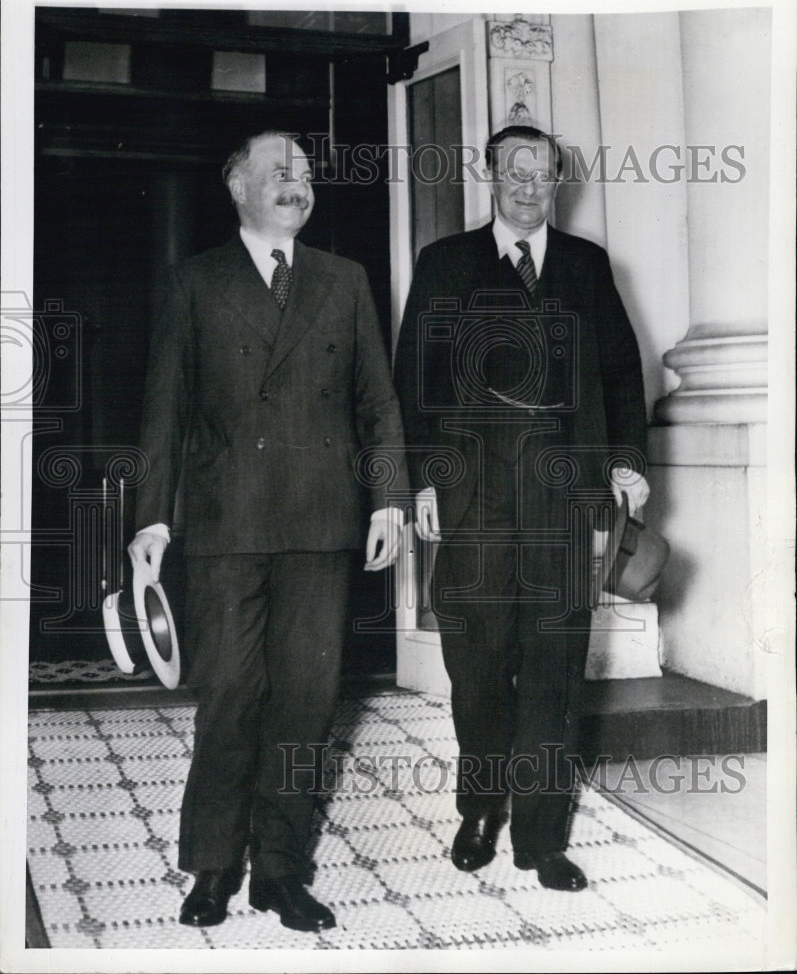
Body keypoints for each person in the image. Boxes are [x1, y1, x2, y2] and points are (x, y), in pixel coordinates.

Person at [129, 130, 408, 931]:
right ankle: (213, 865)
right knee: (229, 696)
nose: (298, 186)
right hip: (226, 523)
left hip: (323, 522)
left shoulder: (344, 280)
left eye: (307, 175)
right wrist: (152, 515)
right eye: (279, 173)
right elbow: (165, 408)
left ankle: (280, 871)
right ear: (238, 188)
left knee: (306, 700)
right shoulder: (195, 282)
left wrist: (387, 497)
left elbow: (376, 401)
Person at [393, 125, 650, 892]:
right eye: (516, 172)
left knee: (551, 669)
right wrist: (425, 481)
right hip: (472, 499)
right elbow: (415, 382)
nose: (531, 187)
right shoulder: (445, 263)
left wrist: (629, 464)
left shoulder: (585, 265)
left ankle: (542, 838)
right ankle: (478, 810)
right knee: (474, 666)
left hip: (563, 501)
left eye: (544, 174)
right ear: (491, 176)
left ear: (557, 182)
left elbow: (620, 375)